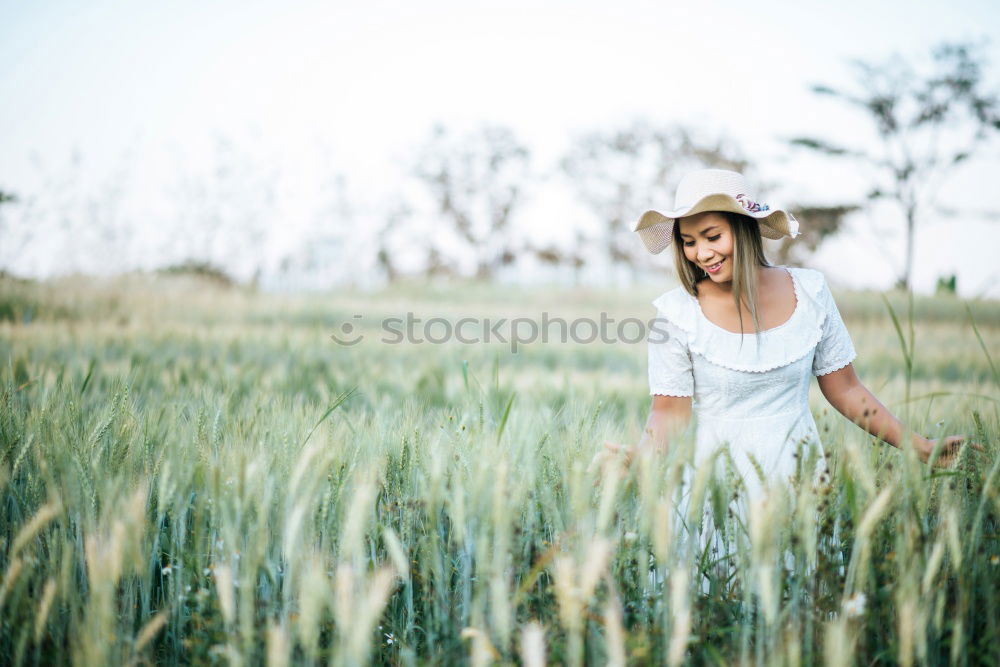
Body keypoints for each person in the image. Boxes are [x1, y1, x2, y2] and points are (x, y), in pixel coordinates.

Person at [603, 169, 977, 506]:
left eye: (712, 236)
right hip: (713, 490)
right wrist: (642, 458)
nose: (701, 253)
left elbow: (846, 389)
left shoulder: (810, 291)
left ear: (744, 228)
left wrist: (921, 447)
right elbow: (669, 415)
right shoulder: (676, 313)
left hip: (800, 483)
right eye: (688, 241)